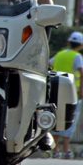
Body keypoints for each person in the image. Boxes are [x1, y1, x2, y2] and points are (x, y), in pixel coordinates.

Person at [49, 31, 83, 159]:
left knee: (56, 119)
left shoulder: (59, 54)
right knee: (70, 120)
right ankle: (67, 150)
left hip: (56, 90)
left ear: (69, 42)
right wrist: (81, 90)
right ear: (81, 45)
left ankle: (55, 151)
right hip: (72, 92)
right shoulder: (77, 56)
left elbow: (49, 64)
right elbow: (82, 72)